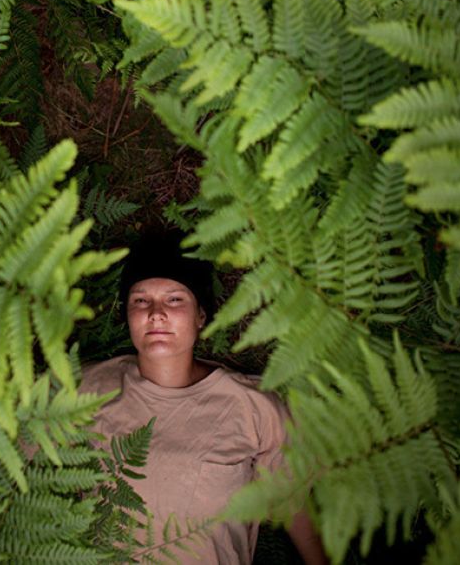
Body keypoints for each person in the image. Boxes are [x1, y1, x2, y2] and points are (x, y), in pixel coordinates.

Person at [79, 231, 326, 564]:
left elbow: (293, 506)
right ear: (126, 314)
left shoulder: (254, 409)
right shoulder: (84, 388)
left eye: (174, 299)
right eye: (140, 300)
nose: (156, 313)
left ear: (201, 316)